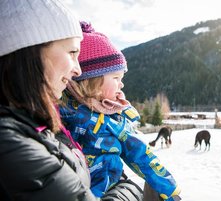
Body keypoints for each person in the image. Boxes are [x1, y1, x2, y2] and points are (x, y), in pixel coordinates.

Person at [0, 0, 142, 200]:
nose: (78, 70)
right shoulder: (11, 141)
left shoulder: (39, 123)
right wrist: (128, 189)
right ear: (31, 52)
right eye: (72, 52)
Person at [60, 21, 181, 201]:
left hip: (108, 191)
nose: (121, 84)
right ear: (90, 81)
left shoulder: (116, 119)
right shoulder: (61, 110)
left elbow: (142, 156)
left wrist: (170, 191)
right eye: (116, 77)